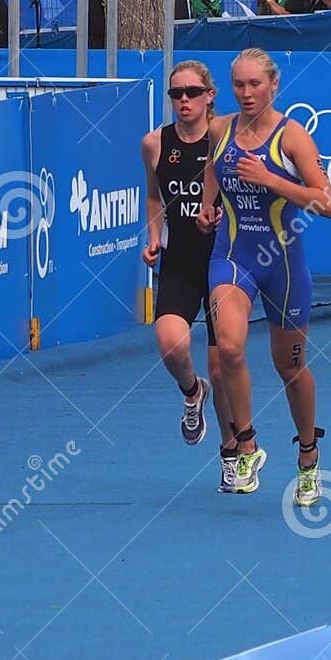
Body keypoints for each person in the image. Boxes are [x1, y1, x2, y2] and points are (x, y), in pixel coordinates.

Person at [199, 48, 331, 502]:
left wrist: (271, 179)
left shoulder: (291, 136)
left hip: (283, 267)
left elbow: (326, 204)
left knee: (290, 366)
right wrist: (207, 205)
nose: (246, 93)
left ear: (273, 86)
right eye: (238, 85)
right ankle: (248, 444)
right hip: (233, 256)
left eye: (254, 84)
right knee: (230, 349)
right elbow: (213, 169)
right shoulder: (220, 129)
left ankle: (309, 455)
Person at [141, 61, 238, 488]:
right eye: (176, 93)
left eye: (192, 92)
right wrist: (154, 236)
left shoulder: (229, 140)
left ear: (210, 95)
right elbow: (152, 194)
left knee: (223, 370)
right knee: (169, 342)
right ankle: (190, 392)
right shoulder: (154, 143)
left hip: (223, 264)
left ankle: (232, 453)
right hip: (178, 260)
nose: (184, 100)